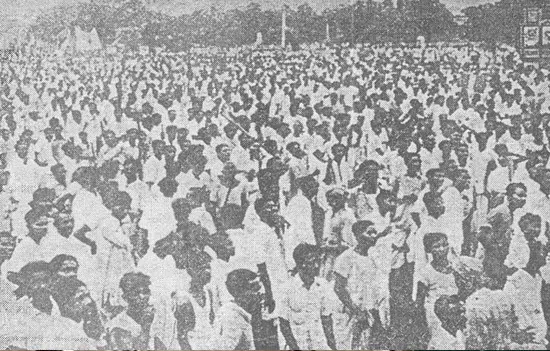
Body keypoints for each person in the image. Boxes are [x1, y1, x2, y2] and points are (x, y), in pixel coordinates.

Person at [333, 220, 388, 350]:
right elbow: (338, 288)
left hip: (368, 313)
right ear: (357, 235)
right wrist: (356, 311)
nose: (374, 236)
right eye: (369, 233)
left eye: (375, 232)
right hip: (350, 313)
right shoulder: (346, 257)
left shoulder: (373, 258)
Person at [279, 243, 337, 350]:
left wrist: (333, 347)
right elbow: (284, 324)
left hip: (319, 345)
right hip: (297, 346)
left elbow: (326, 319)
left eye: (317, 262)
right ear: (301, 264)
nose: (316, 266)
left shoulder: (322, 285)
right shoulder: (287, 288)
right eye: (312, 262)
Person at [212, 269, 261, 350]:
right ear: (242, 291)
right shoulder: (233, 316)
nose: (259, 294)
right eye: (255, 290)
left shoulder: (239, 313)